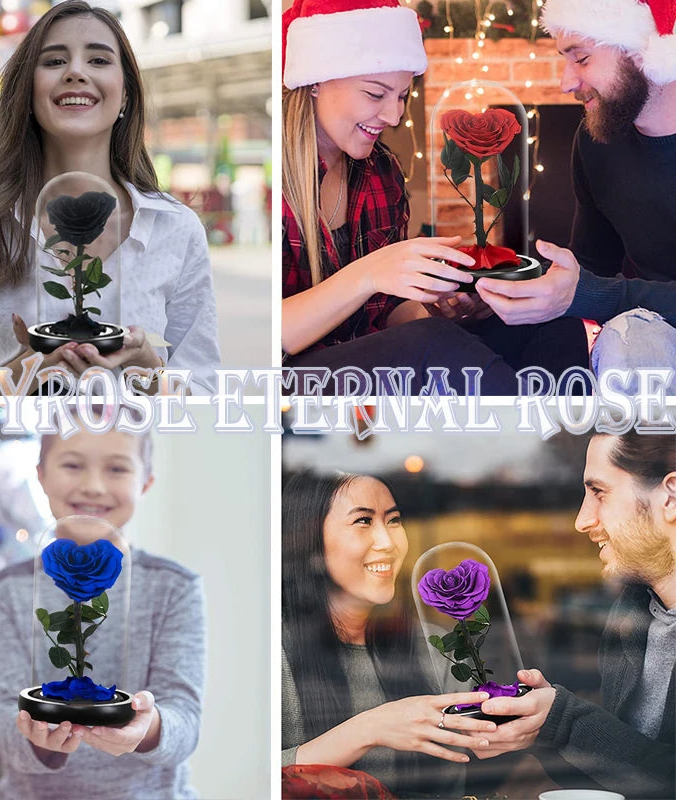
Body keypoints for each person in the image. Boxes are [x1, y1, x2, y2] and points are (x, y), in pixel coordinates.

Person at [281, 0, 589, 396]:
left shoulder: (380, 170)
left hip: (363, 357)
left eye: (402, 96)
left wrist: (441, 310)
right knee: (432, 346)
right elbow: (277, 337)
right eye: (376, 94)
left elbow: (384, 316)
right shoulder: (281, 175)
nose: (393, 116)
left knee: (545, 325)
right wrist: (372, 272)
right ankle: (533, 447)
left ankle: (575, 447)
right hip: (289, 377)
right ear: (315, 81)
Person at [0, 1, 220, 394]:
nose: (76, 72)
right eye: (55, 61)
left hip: (135, 453)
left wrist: (149, 369)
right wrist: (12, 379)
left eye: (98, 60)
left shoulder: (175, 229)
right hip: (17, 452)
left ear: (125, 95)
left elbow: (207, 400)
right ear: (27, 90)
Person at [0, 424, 206, 799]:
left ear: (145, 481)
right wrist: (39, 738)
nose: (94, 486)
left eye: (116, 469)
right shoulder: (4, 591)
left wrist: (146, 728)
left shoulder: (175, 586)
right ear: (41, 476)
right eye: (72, 465)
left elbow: (184, 718)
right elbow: (5, 717)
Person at [475, 0, 676, 386]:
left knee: (635, 343)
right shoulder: (596, 139)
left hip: (650, 334)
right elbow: (590, 266)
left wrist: (593, 294)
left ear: (641, 52)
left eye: (581, 59)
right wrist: (499, 296)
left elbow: (594, 289)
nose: (566, 81)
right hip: (656, 330)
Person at [472, 431, 676, 799]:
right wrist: (539, 726)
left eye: (599, 493)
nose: (582, 520)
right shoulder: (634, 615)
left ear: (670, 496)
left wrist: (562, 720)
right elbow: (627, 771)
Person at [282, 471, 498, 796]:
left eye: (394, 520)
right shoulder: (270, 655)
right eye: (363, 521)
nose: (388, 542)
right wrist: (369, 729)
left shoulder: (436, 650)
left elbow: (455, 785)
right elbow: (231, 780)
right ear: (311, 543)